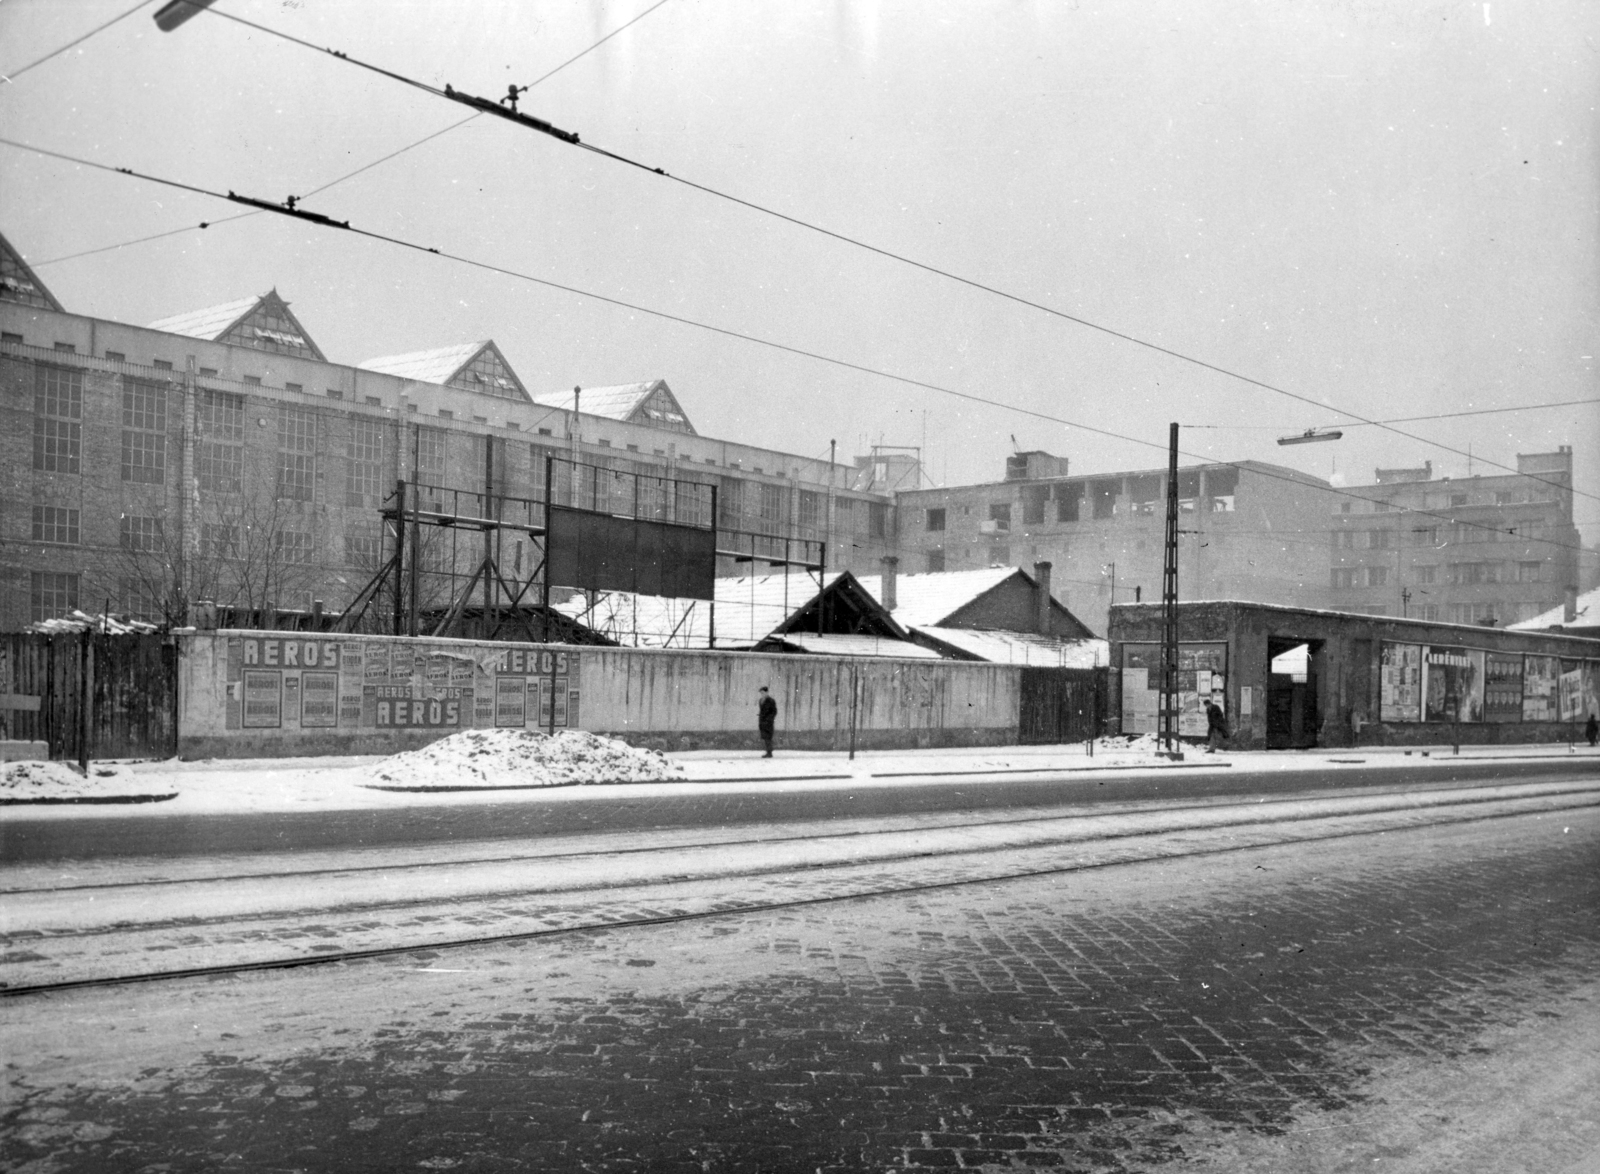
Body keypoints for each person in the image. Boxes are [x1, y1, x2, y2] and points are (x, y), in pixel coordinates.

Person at [757, 685, 778, 757]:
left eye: (763, 693)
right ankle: (768, 751)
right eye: (761, 693)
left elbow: (774, 711)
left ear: (767, 692)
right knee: (765, 737)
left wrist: (769, 719)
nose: (762, 694)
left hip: (768, 722)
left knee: (768, 737)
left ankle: (769, 752)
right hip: (762, 722)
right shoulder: (761, 700)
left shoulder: (771, 701)